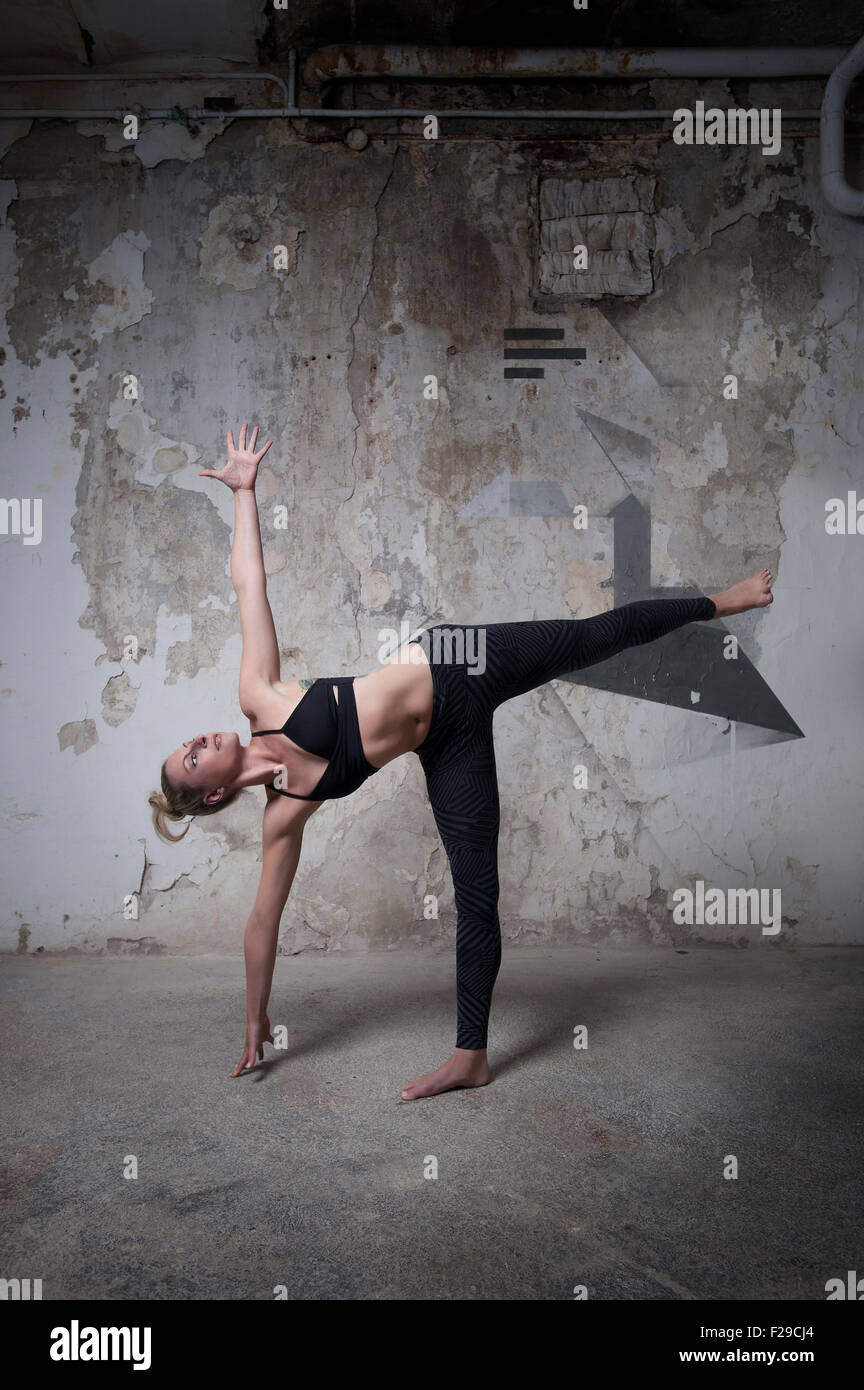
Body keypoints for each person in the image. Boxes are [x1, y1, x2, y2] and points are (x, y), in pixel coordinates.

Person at [149, 424, 774, 1100]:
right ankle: (470, 1058)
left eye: (191, 740)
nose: (202, 740)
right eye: (193, 757)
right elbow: (261, 924)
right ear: (211, 796)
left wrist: (244, 493)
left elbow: (249, 585)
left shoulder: (260, 697)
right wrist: (255, 1017)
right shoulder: (283, 817)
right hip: (449, 744)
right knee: (478, 896)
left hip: (456, 661)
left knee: (593, 638)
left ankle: (722, 599)